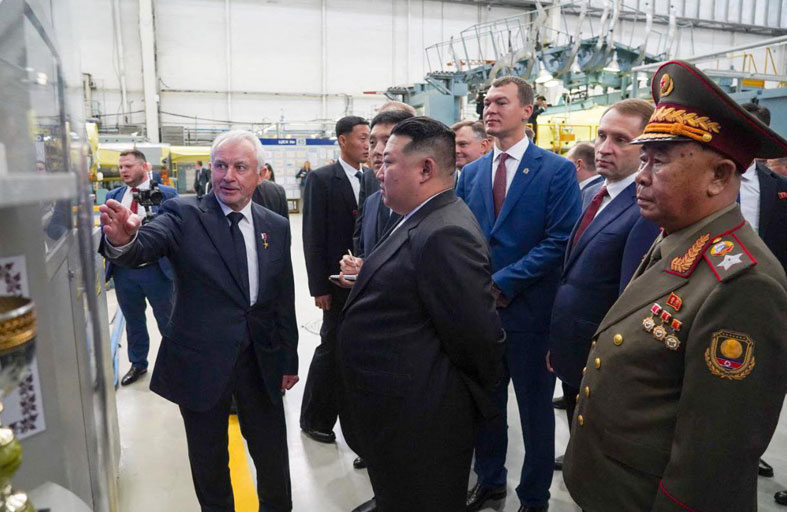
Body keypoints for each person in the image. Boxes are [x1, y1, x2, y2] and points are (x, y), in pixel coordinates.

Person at [562, 60, 787, 512]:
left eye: (660, 160)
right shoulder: (679, 237)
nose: (642, 175)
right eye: (644, 158)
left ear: (719, 176)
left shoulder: (743, 283)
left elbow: (714, 455)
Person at [99, 130, 299, 512]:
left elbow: (282, 294)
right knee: (209, 461)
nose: (228, 176)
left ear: (260, 174)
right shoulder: (184, 213)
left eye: (240, 167)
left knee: (272, 453)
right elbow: (147, 242)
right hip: (201, 362)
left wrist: (289, 358)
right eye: (220, 166)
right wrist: (124, 241)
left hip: (261, 359)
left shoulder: (274, 224)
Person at [336, 117, 504, 512]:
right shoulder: (418, 217)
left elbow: (478, 339)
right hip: (400, 416)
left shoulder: (445, 232)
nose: (378, 171)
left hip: (422, 423)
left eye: (388, 162)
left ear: (425, 169)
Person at [457, 76, 581, 512]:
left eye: (501, 102)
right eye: (486, 102)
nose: (490, 109)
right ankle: (491, 481)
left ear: (527, 111)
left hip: (531, 316)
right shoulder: (471, 173)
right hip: (482, 316)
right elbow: (461, 236)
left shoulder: (556, 170)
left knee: (535, 413)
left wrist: (504, 282)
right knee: (487, 407)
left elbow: (560, 239)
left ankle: (534, 496)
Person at [548, 99, 660, 471]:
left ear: (646, 150)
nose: (604, 148)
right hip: (573, 349)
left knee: (599, 460)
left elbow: (629, 300)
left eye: (620, 139)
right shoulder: (592, 192)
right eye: (601, 136)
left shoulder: (644, 207)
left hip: (602, 361)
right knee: (580, 442)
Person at [301, 116, 370, 444]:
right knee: (331, 348)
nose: (368, 144)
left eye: (370, 138)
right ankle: (315, 418)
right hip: (335, 283)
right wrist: (319, 287)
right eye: (362, 138)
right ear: (343, 140)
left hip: (364, 280)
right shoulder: (322, 179)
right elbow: (313, 235)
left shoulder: (372, 178)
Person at [740, 102, 787, 495]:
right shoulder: (704, 176)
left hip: (763, 301)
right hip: (704, 297)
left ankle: (748, 450)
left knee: (759, 382)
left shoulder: (776, 187)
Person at [103, 149, 177, 386]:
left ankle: (178, 365)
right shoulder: (114, 196)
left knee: (168, 320)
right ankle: (138, 363)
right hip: (124, 271)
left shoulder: (166, 194)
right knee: (133, 321)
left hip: (157, 270)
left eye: (128, 166)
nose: (123, 170)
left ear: (144, 167)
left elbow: (177, 231)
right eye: (120, 166)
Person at [355, 110, 413, 258]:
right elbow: (365, 249)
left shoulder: (423, 204)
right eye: (372, 143)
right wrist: (359, 266)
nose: (377, 151)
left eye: (387, 141)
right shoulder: (371, 202)